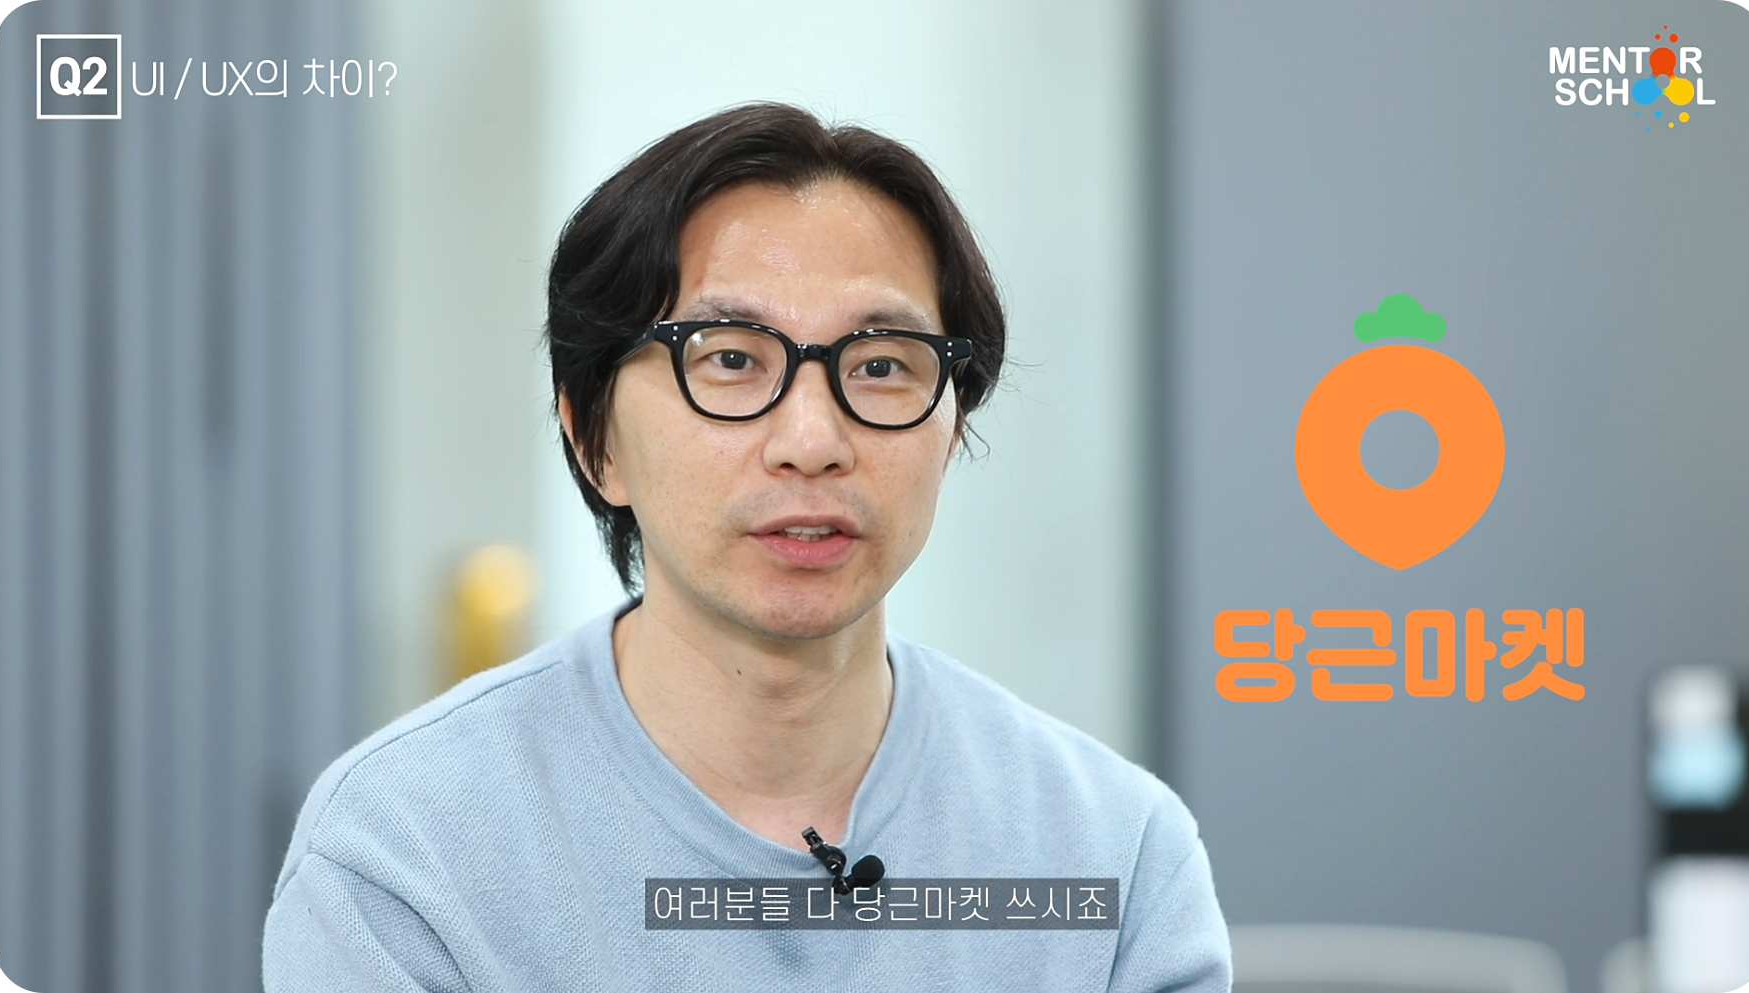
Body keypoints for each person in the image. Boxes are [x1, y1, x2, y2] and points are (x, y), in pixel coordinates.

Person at [262, 102, 1230, 992]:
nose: (812, 439)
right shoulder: (407, 854)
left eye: (881, 365)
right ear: (595, 441)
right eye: (730, 359)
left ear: (952, 431)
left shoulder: (1113, 853)